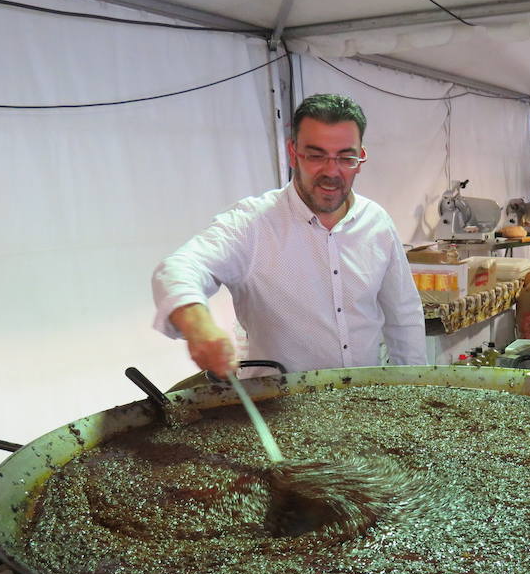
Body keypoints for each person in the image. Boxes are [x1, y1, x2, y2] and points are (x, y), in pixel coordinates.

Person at [152, 93, 427, 378]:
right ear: (293, 153)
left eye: (345, 157)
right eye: (316, 156)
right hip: (278, 409)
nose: (331, 172)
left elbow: (403, 315)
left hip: (366, 404)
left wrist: (416, 390)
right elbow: (179, 267)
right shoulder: (253, 224)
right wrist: (198, 326)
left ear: (361, 159)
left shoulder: (377, 222)